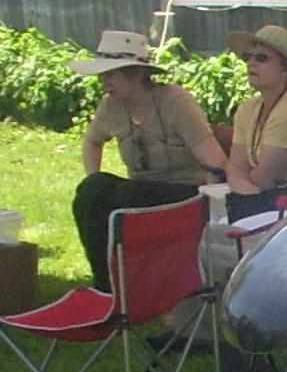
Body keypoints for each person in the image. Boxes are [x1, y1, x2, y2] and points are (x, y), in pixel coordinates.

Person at [71, 29, 228, 291]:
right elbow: (92, 140)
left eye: (111, 74)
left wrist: (214, 207)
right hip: (138, 189)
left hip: (185, 192)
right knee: (92, 191)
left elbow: (214, 161)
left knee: (128, 195)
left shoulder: (175, 102)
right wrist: (92, 174)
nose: (103, 81)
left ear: (135, 75)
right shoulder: (110, 106)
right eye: (102, 74)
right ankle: (106, 284)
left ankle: (132, 284)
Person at [222, 25, 287, 220]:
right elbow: (235, 167)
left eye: (261, 58)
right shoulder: (247, 109)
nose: (251, 63)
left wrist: (242, 189)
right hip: (265, 203)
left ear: (285, 69)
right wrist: (243, 187)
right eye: (247, 57)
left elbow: (266, 177)